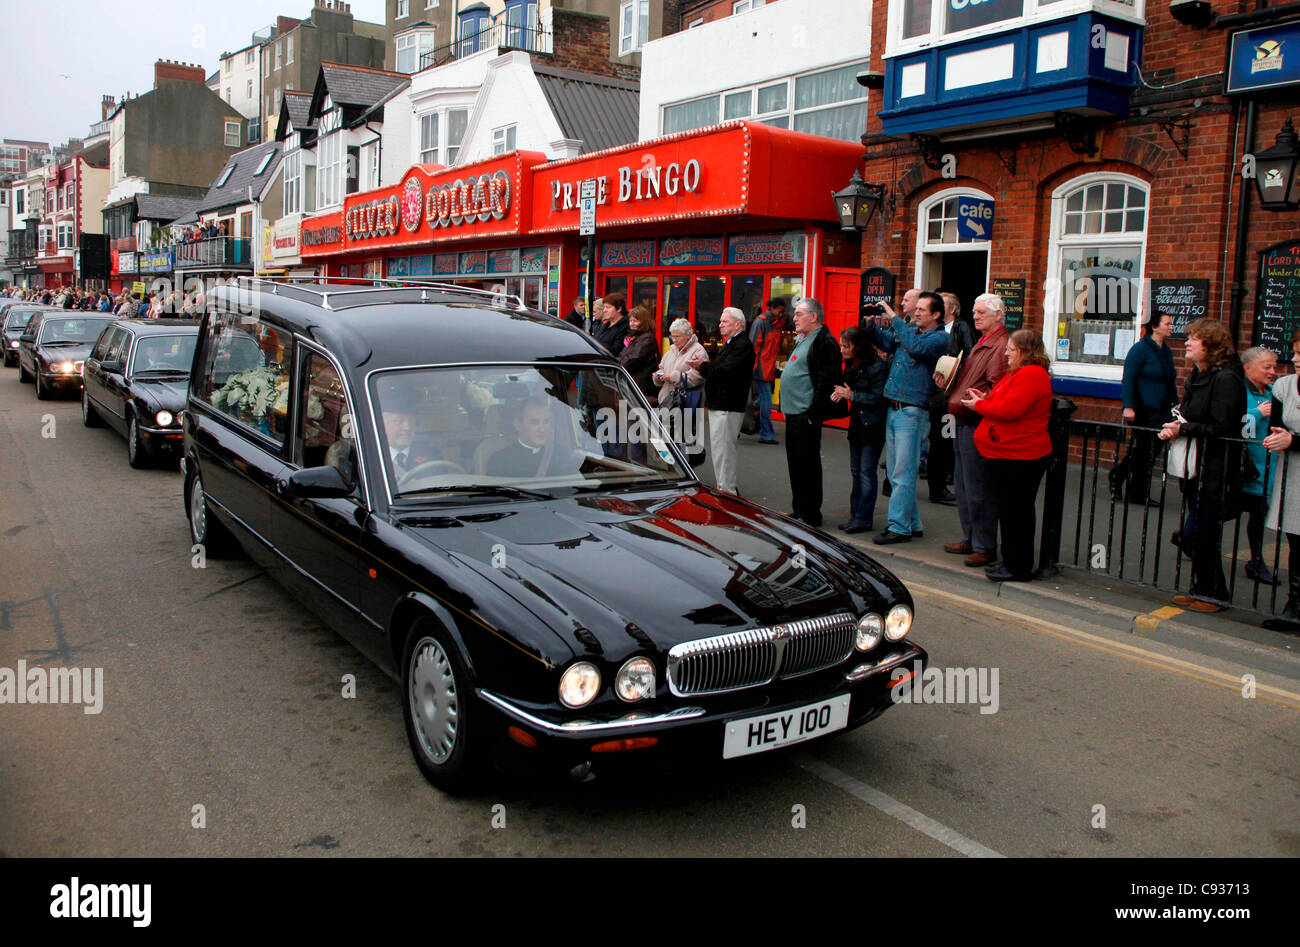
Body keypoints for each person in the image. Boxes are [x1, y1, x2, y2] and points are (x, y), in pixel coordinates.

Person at [1158, 317, 1245, 612]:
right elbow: (1192, 414)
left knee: (1200, 531)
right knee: (1200, 531)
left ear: (1210, 345)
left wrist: (1185, 429)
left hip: (1216, 467)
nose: (1187, 343)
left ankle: (1213, 594)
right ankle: (1204, 590)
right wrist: (1177, 424)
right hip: (1197, 464)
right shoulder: (1199, 375)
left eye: (1193, 339)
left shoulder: (1226, 379)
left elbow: (1223, 427)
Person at [962, 329, 1054, 582]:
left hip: (1021, 456)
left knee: (1017, 513)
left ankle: (1018, 567)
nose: (1006, 352)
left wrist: (979, 405)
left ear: (1024, 351)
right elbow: (1002, 399)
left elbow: (1011, 409)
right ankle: (1010, 561)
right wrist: (985, 398)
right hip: (1010, 454)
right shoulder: (1020, 374)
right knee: (1010, 511)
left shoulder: (1032, 375)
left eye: (1011, 349)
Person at [866, 291, 951, 544]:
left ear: (936, 314)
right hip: (894, 406)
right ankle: (912, 523)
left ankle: (899, 527)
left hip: (912, 410)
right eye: (918, 308)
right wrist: (871, 325)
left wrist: (894, 317)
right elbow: (887, 343)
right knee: (895, 472)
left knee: (903, 472)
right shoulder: (911, 332)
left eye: (923, 309)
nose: (917, 312)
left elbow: (916, 349)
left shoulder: (939, 339)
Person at [942, 293, 1011, 567]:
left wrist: (978, 402)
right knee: (962, 486)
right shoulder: (984, 342)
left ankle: (984, 545)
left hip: (977, 423)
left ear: (998, 314)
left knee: (978, 487)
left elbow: (998, 386)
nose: (976, 316)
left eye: (982, 312)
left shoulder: (1000, 344)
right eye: (975, 311)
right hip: (963, 421)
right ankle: (970, 537)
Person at [780, 298, 845, 527]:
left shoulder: (824, 342)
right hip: (794, 413)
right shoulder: (805, 339)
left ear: (814, 316)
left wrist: (813, 413)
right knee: (796, 464)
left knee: (807, 465)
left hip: (805, 415)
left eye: (799, 314)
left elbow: (825, 380)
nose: (794, 318)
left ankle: (810, 514)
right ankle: (799, 510)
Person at [1113, 309, 1179, 504]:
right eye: (1167, 324)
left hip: (1162, 409)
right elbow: (1129, 379)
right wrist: (1128, 405)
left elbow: (1170, 381)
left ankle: (1121, 478)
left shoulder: (1165, 351)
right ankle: (1136, 491)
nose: (1171, 327)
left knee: (1150, 451)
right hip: (1143, 408)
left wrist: (1176, 407)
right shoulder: (1140, 349)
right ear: (1154, 327)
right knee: (1145, 450)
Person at [688, 307, 755, 495]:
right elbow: (719, 368)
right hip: (722, 405)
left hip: (728, 406)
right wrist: (704, 367)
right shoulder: (731, 343)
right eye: (721, 321)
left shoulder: (742, 345)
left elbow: (725, 371)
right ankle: (724, 488)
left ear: (738, 324)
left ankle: (727, 492)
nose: (720, 325)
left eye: (725, 321)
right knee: (719, 451)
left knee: (724, 452)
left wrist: (702, 366)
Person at [831, 325, 888, 533]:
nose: (842, 349)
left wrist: (851, 395)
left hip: (872, 425)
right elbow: (850, 387)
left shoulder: (877, 366)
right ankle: (855, 515)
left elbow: (879, 398)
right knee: (856, 472)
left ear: (857, 346)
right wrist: (845, 392)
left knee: (866, 472)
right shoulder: (852, 364)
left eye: (845, 346)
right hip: (857, 423)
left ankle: (863, 518)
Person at [1262, 329, 1300, 630]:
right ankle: (1294, 606)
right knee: (1295, 541)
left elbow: (1291, 437)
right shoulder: (1284, 386)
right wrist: (1276, 438)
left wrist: (1294, 441)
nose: (1295, 359)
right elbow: (1276, 426)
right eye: (1296, 352)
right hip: (1291, 475)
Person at [926, 291, 977, 505]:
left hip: (949, 394)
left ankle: (943, 481)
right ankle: (936, 484)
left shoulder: (961, 327)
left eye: (942, 304)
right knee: (936, 440)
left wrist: (954, 371)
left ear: (952, 309)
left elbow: (970, 354)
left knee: (945, 438)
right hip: (933, 394)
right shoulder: (932, 330)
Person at [1240, 346, 1278, 585]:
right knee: (1225, 512)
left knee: (1258, 514)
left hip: (1268, 470)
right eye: (1267, 367)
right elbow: (1240, 429)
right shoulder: (1241, 392)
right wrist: (1257, 413)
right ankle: (1188, 536)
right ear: (1248, 368)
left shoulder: (1274, 392)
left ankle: (1256, 561)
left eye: (1274, 367)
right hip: (1245, 470)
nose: (1273, 371)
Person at [487, 397, 578, 478]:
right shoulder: (500, 460)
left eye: (546, 421)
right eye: (534, 422)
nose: (542, 429)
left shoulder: (561, 455)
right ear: (518, 425)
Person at [653, 317, 707, 445]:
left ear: (688, 335)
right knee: (664, 441)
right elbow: (662, 368)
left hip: (684, 404)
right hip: (667, 402)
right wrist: (657, 376)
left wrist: (672, 376)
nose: (674, 339)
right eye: (672, 336)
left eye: (678, 336)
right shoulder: (671, 350)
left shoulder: (699, 351)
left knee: (682, 440)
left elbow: (697, 377)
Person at [748, 299, 787, 444]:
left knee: (762, 400)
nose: (781, 314)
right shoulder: (762, 322)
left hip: (767, 368)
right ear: (772, 308)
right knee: (765, 400)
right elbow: (754, 347)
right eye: (780, 311)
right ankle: (766, 433)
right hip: (761, 369)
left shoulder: (773, 324)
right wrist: (752, 368)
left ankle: (758, 427)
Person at [382, 389, 443, 481]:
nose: (407, 427)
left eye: (411, 421)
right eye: (398, 420)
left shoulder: (433, 456)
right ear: (382, 423)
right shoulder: (369, 457)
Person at [620, 305, 660, 404]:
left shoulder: (647, 338)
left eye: (635, 321)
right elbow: (623, 355)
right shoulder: (634, 338)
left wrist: (618, 363)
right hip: (633, 383)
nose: (632, 324)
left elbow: (633, 359)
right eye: (630, 321)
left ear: (643, 322)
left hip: (641, 386)